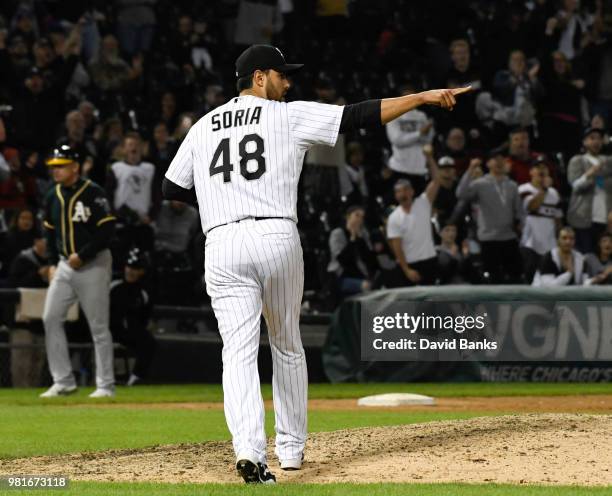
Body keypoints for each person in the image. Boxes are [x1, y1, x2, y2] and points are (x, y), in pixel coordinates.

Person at [162, 44, 470, 483]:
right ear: (258, 77)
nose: (287, 83)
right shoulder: (286, 116)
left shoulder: (202, 126)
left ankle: (249, 451)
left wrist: (220, 201)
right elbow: (359, 116)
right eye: (281, 75)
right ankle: (289, 451)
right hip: (274, 234)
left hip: (222, 241)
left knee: (238, 354)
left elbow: (171, 189)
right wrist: (420, 98)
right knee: (286, 343)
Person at [40, 145, 117, 398]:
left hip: (93, 264)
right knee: (50, 318)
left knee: (98, 326)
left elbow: (107, 231)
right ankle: (63, 381)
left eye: (60, 166)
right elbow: (49, 233)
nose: (56, 170)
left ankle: (105, 385)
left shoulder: (93, 192)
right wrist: (52, 262)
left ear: (75, 167)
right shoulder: (52, 195)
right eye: (53, 166)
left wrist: (82, 255)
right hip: (64, 265)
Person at [456, 149, 524, 283]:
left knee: (515, 276)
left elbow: (519, 210)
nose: (498, 162)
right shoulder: (480, 184)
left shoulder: (512, 185)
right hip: (489, 239)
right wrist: (470, 169)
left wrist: (521, 224)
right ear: (487, 164)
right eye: (495, 159)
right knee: (494, 278)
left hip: (509, 237)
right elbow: (461, 193)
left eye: (501, 159)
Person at [110, 248, 156, 386]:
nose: (130, 271)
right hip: (110, 330)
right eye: (129, 266)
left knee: (149, 342)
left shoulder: (143, 292)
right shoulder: (114, 286)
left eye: (136, 268)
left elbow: (145, 318)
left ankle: (136, 378)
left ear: (142, 271)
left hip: (131, 333)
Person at [386, 174, 440, 286]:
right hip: (410, 264)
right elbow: (397, 247)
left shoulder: (424, 203)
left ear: (412, 191)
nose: (403, 194)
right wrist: (406, 270)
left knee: (431, 299)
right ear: (396, 195)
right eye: (399, 191)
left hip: (429, 260)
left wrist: (429, 159)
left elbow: (437, 180)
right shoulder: (394, 217)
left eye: (405, 190)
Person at [567, 127, 612, 254]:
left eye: (599, 138)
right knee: (585, 258)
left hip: (605, 221)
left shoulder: (608, 162)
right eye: (592, 138)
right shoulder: (578, 160)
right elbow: (575, 186)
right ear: (584, 142)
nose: (596, 141)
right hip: (583, 220)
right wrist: (590, 174)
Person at [385, 82, 434, 195]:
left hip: (420, 168)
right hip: (400, 168)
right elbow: (397, 140)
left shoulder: (421, 116)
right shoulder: (392, 114)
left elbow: (428, 140)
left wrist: (424, 134)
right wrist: (419, 134)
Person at [518, 160, 563, 283]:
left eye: (544, 167)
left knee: (548, 277)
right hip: (530, 243)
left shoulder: (554, 193)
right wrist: (544, 189)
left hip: (550, 243)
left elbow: (558, 219)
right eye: (538, 167)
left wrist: (559, 239)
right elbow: (531, 207)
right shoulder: (524, 188)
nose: (542, 170)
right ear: (531, 171)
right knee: (529, 276)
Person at [327, 205, 378, 297]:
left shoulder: (363, 234)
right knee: (366, 286)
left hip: (362, 274)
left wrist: (360, 240)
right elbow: (343, 259)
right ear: (348, 216)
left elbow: (370, 259)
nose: (360, 219)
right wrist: (352, 239)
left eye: (362, 217)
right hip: (343, 277)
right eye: (357, 215)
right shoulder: (337, 233)